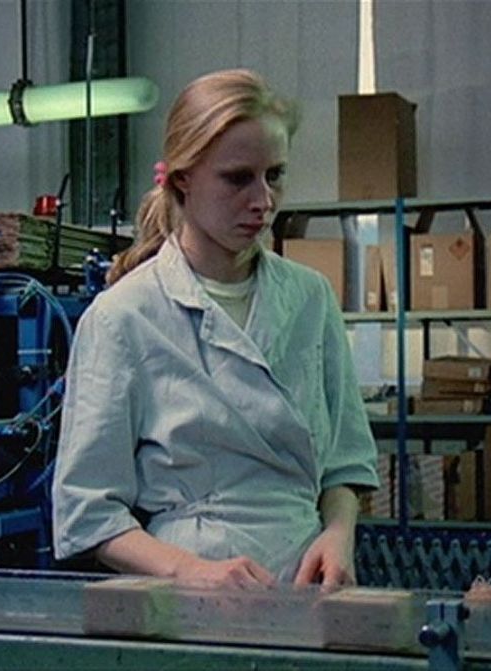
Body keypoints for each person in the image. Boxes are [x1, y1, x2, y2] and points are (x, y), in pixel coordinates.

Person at [51, 69, 380, 588]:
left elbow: (344, 464)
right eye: (237, 178)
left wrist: (338, 533)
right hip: (190, 595)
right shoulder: (124, 317)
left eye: (275, 175)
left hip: (308, 583)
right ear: (182, 177)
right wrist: (190, 570)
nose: (263, 200)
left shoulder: (311, 298)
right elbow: (87, 514)